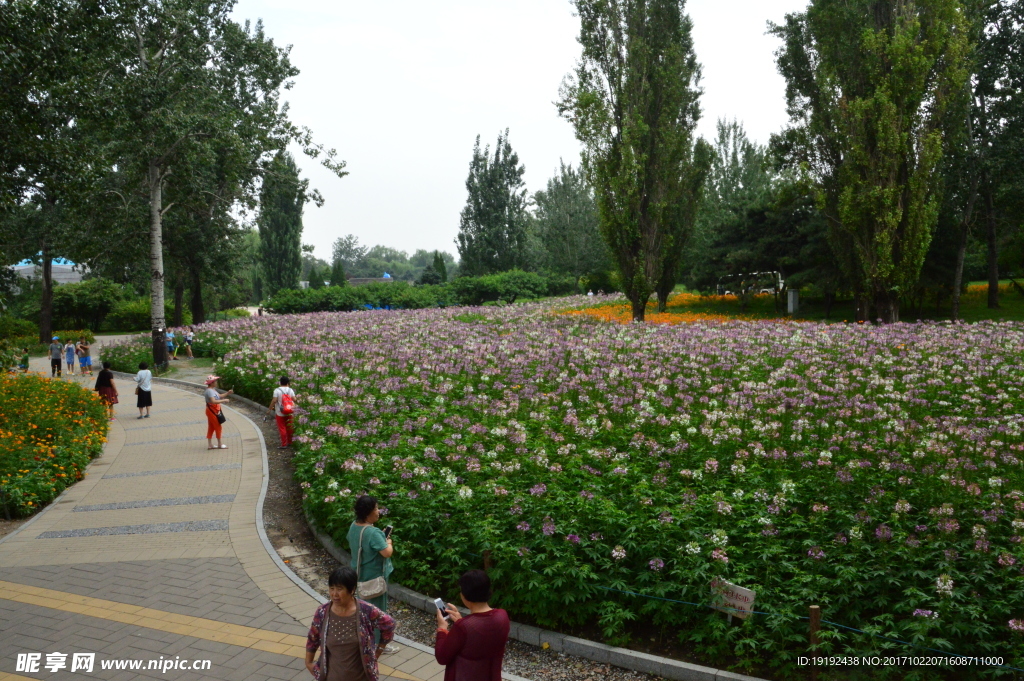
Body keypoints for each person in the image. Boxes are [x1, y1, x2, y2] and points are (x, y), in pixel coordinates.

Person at [304, 566, 396, 681]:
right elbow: (313, 637)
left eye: (339, 589)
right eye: (331, 588)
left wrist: (378, 651)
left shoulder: (366, 611)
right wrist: (308, 662)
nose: (334, 594)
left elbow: (389, 624)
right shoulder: (322, 612)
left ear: (352, 590)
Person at [434, 570, 510, 681]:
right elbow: (481, 636)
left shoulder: (463, 627)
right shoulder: (502, 615)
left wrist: (442, 628)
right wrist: (461, 620)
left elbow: (442, 657)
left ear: (464, 595)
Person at [347, 495, 397, 653]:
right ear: (368, 512)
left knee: (363, 609)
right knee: (377, 611)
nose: (378, 511)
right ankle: (377, 644)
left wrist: (380, 537)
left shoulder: (354, 526)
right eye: (376, 508)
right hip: (374, 578)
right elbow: (387, 553)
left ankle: (363, 638)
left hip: (358, 574)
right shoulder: (373, 532)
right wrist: (388, 542)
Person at [204, 375, 233, 449]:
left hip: (212, 410)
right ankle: (220, 444)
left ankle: (210, 444)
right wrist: (224, 400)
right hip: (213, 411)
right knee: (218, 427)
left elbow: (219, 396)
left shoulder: (212, 390)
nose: (216, 382)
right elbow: (213, 401)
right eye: (215, 381)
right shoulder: (210, 391)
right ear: (212, 383)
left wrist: (227, 393)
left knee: (211, 427)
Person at [269, 375, 296, 449]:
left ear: (280, 382)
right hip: (290, 411)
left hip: (280, 412)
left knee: (282, 428)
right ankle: (290, 442)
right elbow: (294, 399)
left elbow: (274, 400)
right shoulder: (290, 390)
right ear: (288, 383)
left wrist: (270, 409)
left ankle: (284, 444)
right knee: (289, 427)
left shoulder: (277, 390)